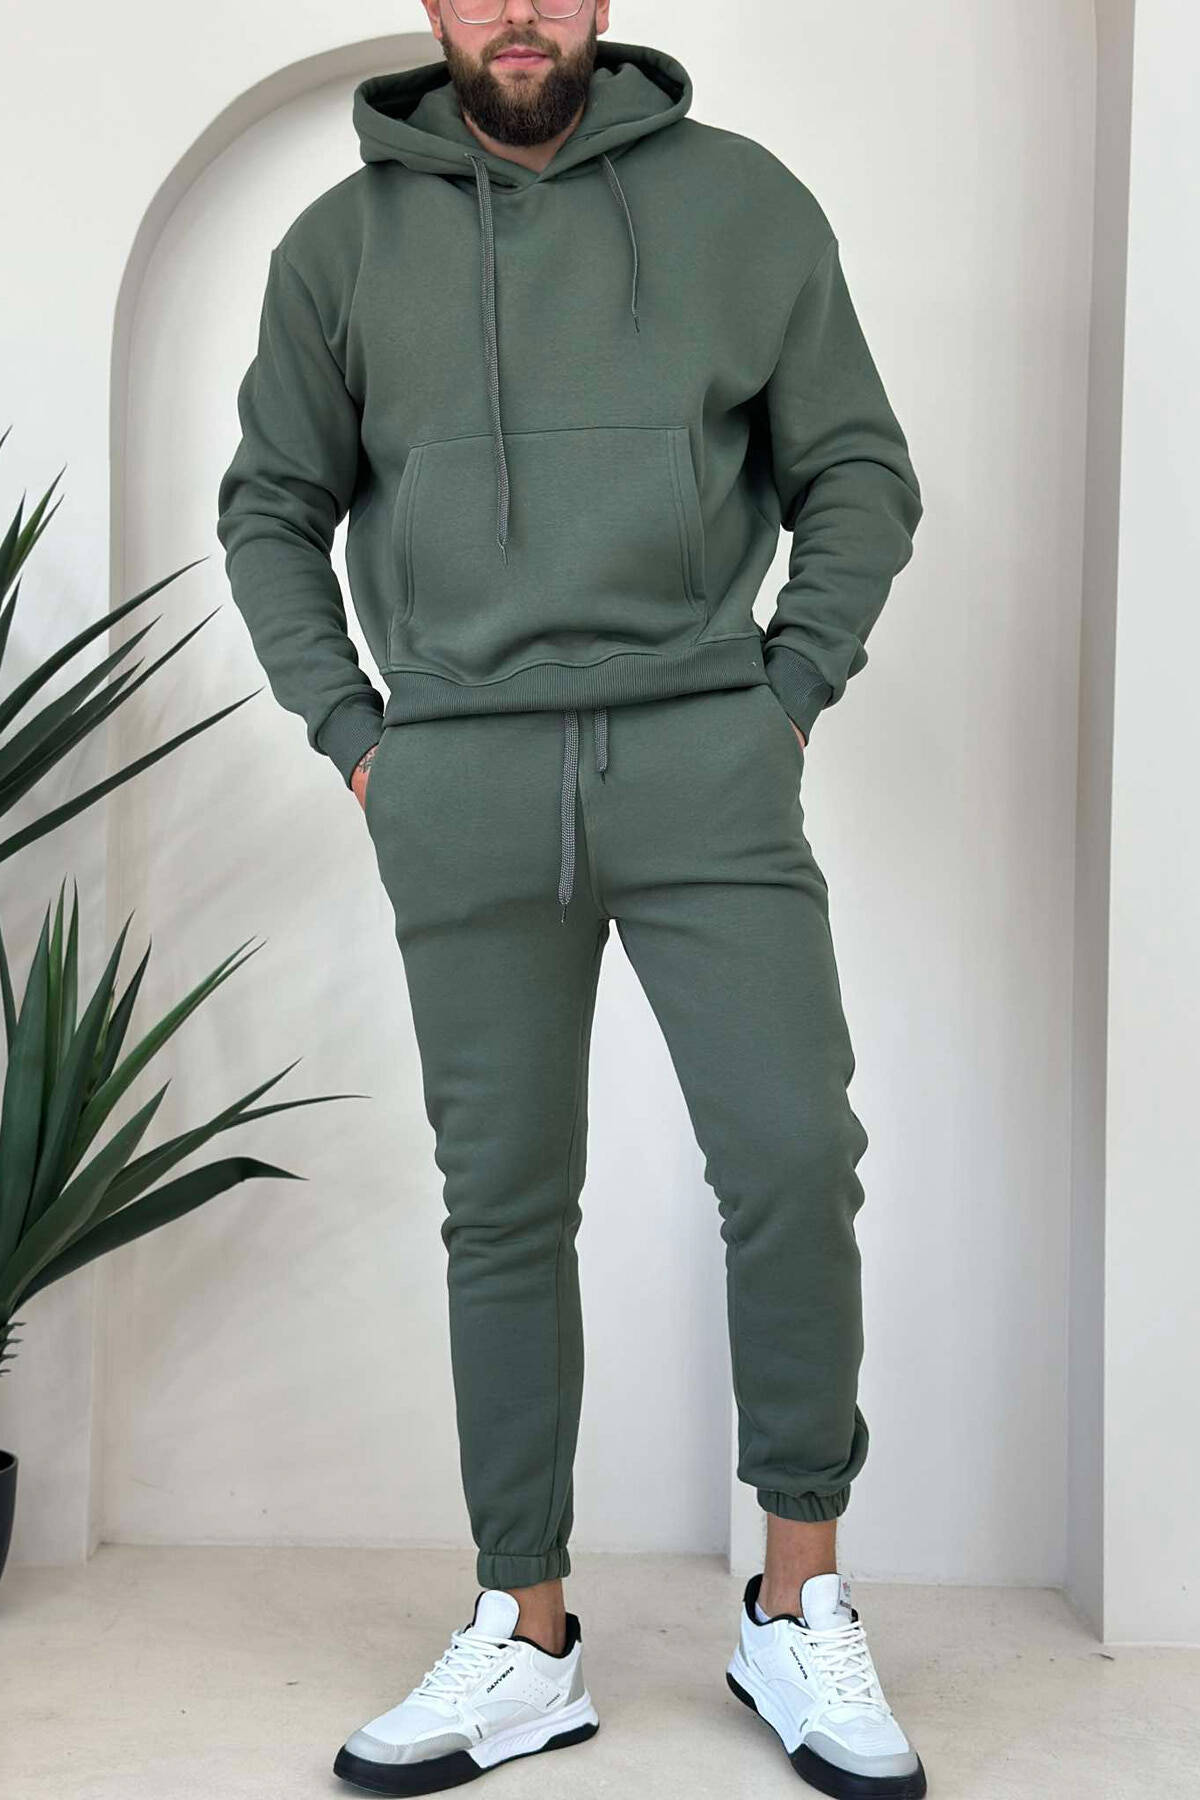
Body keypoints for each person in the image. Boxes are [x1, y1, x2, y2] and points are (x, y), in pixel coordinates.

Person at [216, 2, 926, 1794]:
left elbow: (857, 468)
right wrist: (358, 736)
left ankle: (798, 1605)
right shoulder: (340, 246)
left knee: (791, 1156)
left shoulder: (743, 204)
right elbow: (271, 507)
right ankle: (525, 1636)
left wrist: (786, 692)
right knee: (507, 1207)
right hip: (458, 778)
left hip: (703, 759)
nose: (517, 12)